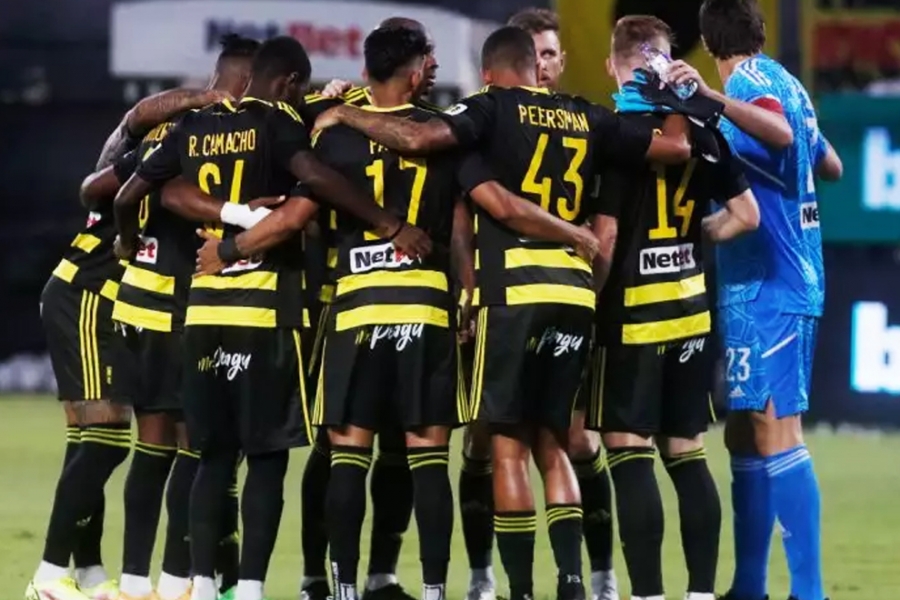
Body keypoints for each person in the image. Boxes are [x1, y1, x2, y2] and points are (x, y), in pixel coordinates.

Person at [313, 25, 704, 600]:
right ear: (535, 65)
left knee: (507, 448)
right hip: (574, 296)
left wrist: (345, 112)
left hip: (511, 294)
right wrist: (678, 96)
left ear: (491, 73)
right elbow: (675, 149)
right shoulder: (588, 115)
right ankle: (575, 583)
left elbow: (431, 148)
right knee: (558, 443)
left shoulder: (488, 110)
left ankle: (513, 589)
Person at [113, 35, 429, 600]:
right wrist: (389, 224)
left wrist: (128, 240)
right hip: (265, 315)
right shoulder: (279, 123)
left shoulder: (193, 128)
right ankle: (252, 589)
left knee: (211, 458)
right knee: (265, 460)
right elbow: (320, 180)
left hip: (202, 314)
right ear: (288, 84)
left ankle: (202, 587)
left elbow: (130, 194)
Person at [641, 2, 843, 599]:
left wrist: (711, 98)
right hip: (761, 280)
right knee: (744, 433)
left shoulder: (749, 82)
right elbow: (829, 164)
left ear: (708, 43)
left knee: (779, 430)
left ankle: (809, 592)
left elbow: (780, 133)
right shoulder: (789, 83)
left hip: (774, 282)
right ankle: (749, 586)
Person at [26, 83, 234, 600]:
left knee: (92, 442)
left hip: (107, 299)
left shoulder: (174, 146)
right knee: (105, 440)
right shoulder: (170, 143)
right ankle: (48, 577)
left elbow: (95, 183)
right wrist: (200, 96)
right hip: (90, 293)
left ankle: (90, 573)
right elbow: (127, 134)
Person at [292, 24, 472, 600]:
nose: (435, 67)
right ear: (415, 73)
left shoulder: (332, 133)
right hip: (426, 305)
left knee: (346, 454)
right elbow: (462, 228)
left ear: (367, 69)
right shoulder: (443, 133)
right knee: (428, 458)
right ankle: (435, 591)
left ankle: (340, 588)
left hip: (354, 307)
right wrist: (467, 296)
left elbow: (308, 221)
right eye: (429, 59)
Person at [586, 16, 759, 600]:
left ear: (614, 65)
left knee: (629, 452)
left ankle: (648, 594)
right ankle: (702, 593)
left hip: (631, 314)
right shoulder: (705, 133)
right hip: (690, 314)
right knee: (686, 452)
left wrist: (589, 303)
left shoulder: (616, 134)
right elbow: (747, 216)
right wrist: (694, 239)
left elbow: (607, 236)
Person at [103, 34, 260, 600]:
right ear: (247, 82)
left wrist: (126, 243)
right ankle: (176, 582)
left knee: (151, 446)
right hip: (181, 305)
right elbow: (167, 196)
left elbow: (105, 189)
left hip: (135, 300)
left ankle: (134, 580)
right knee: (199, 446)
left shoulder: (166, 128)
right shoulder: (231, 134)